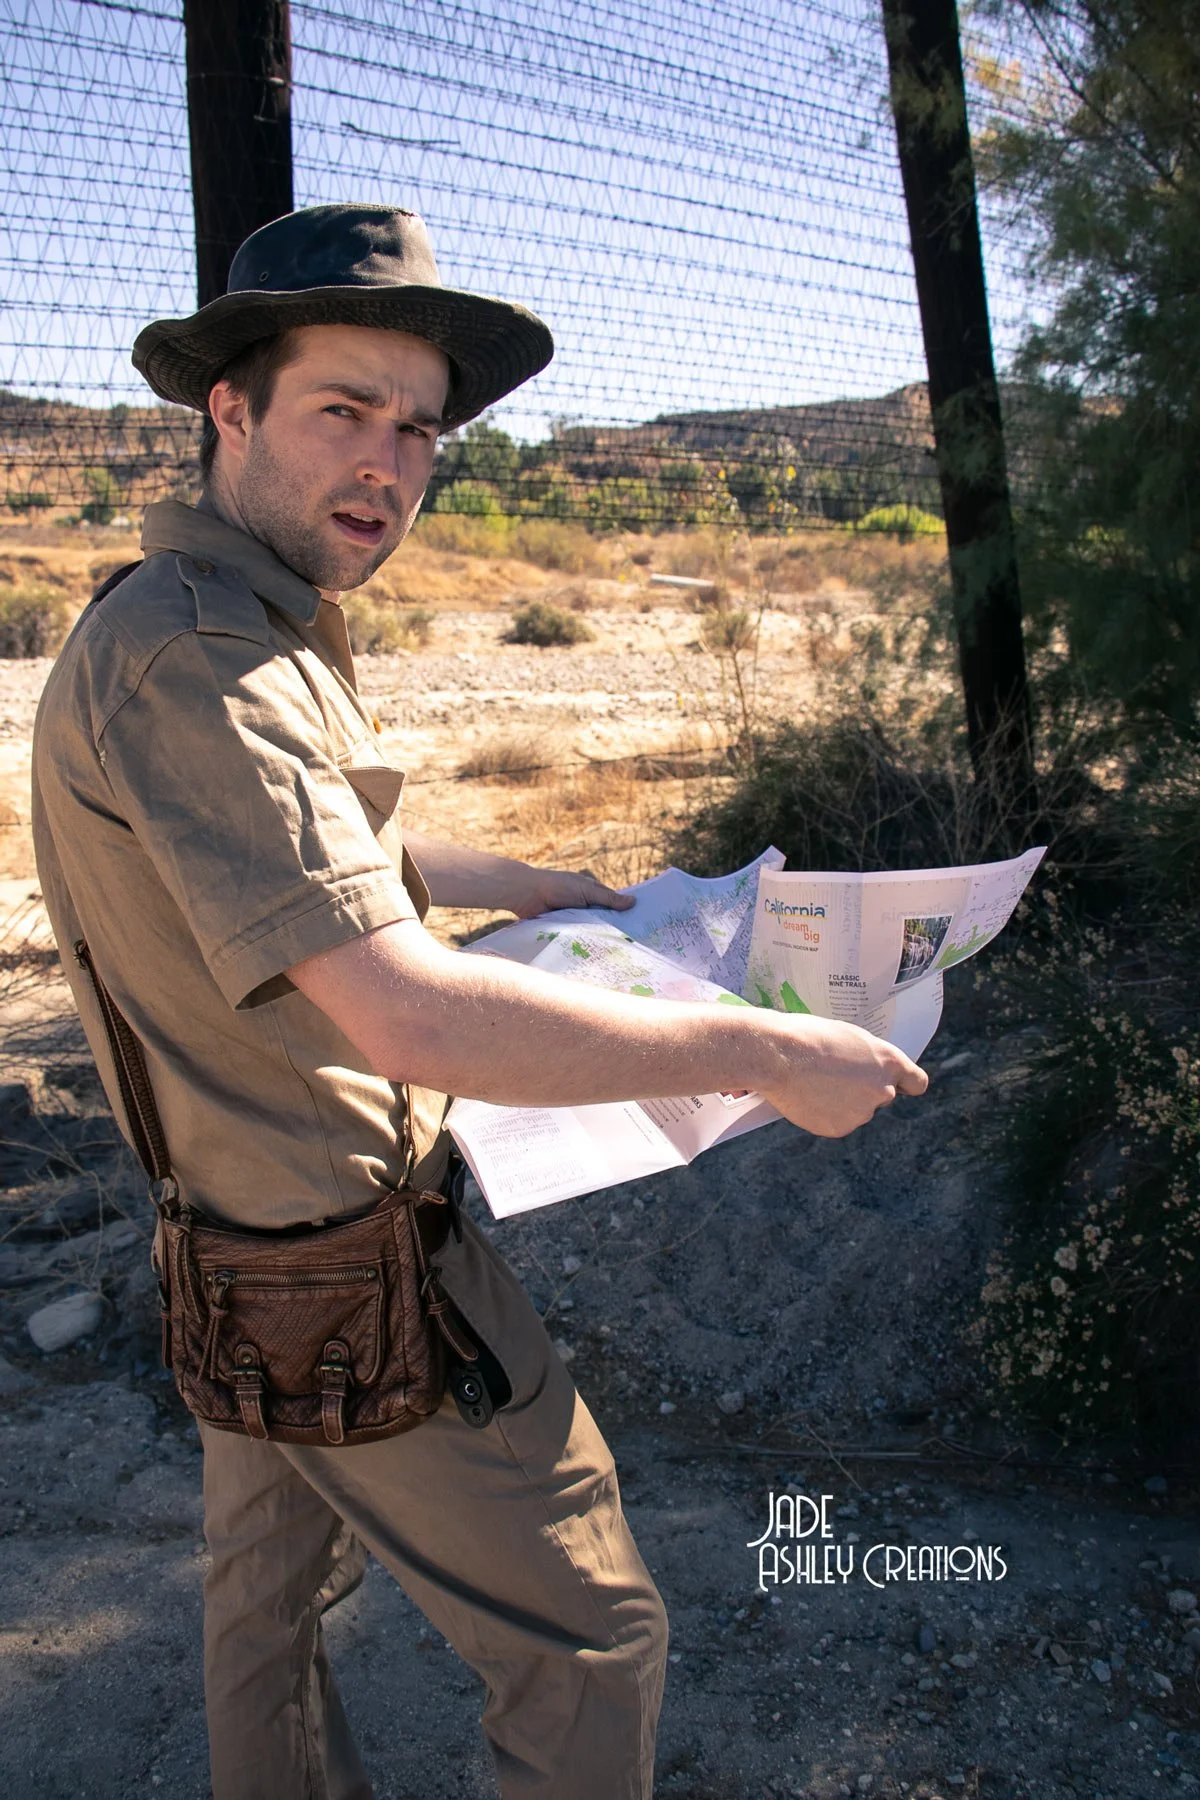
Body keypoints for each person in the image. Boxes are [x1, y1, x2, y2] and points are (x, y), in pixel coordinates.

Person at [31, 204, 927, 1800]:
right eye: (340, 411)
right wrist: (768, 1049)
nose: (385, 464)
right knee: (590, 1642)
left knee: (263, 1620)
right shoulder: (212, 667)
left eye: (416, 430)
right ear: (227, 409)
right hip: (351, 1271)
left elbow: (295, 862)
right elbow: (413, 1023)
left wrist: (533, 887)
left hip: (238, 1255)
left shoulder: (198, 625)